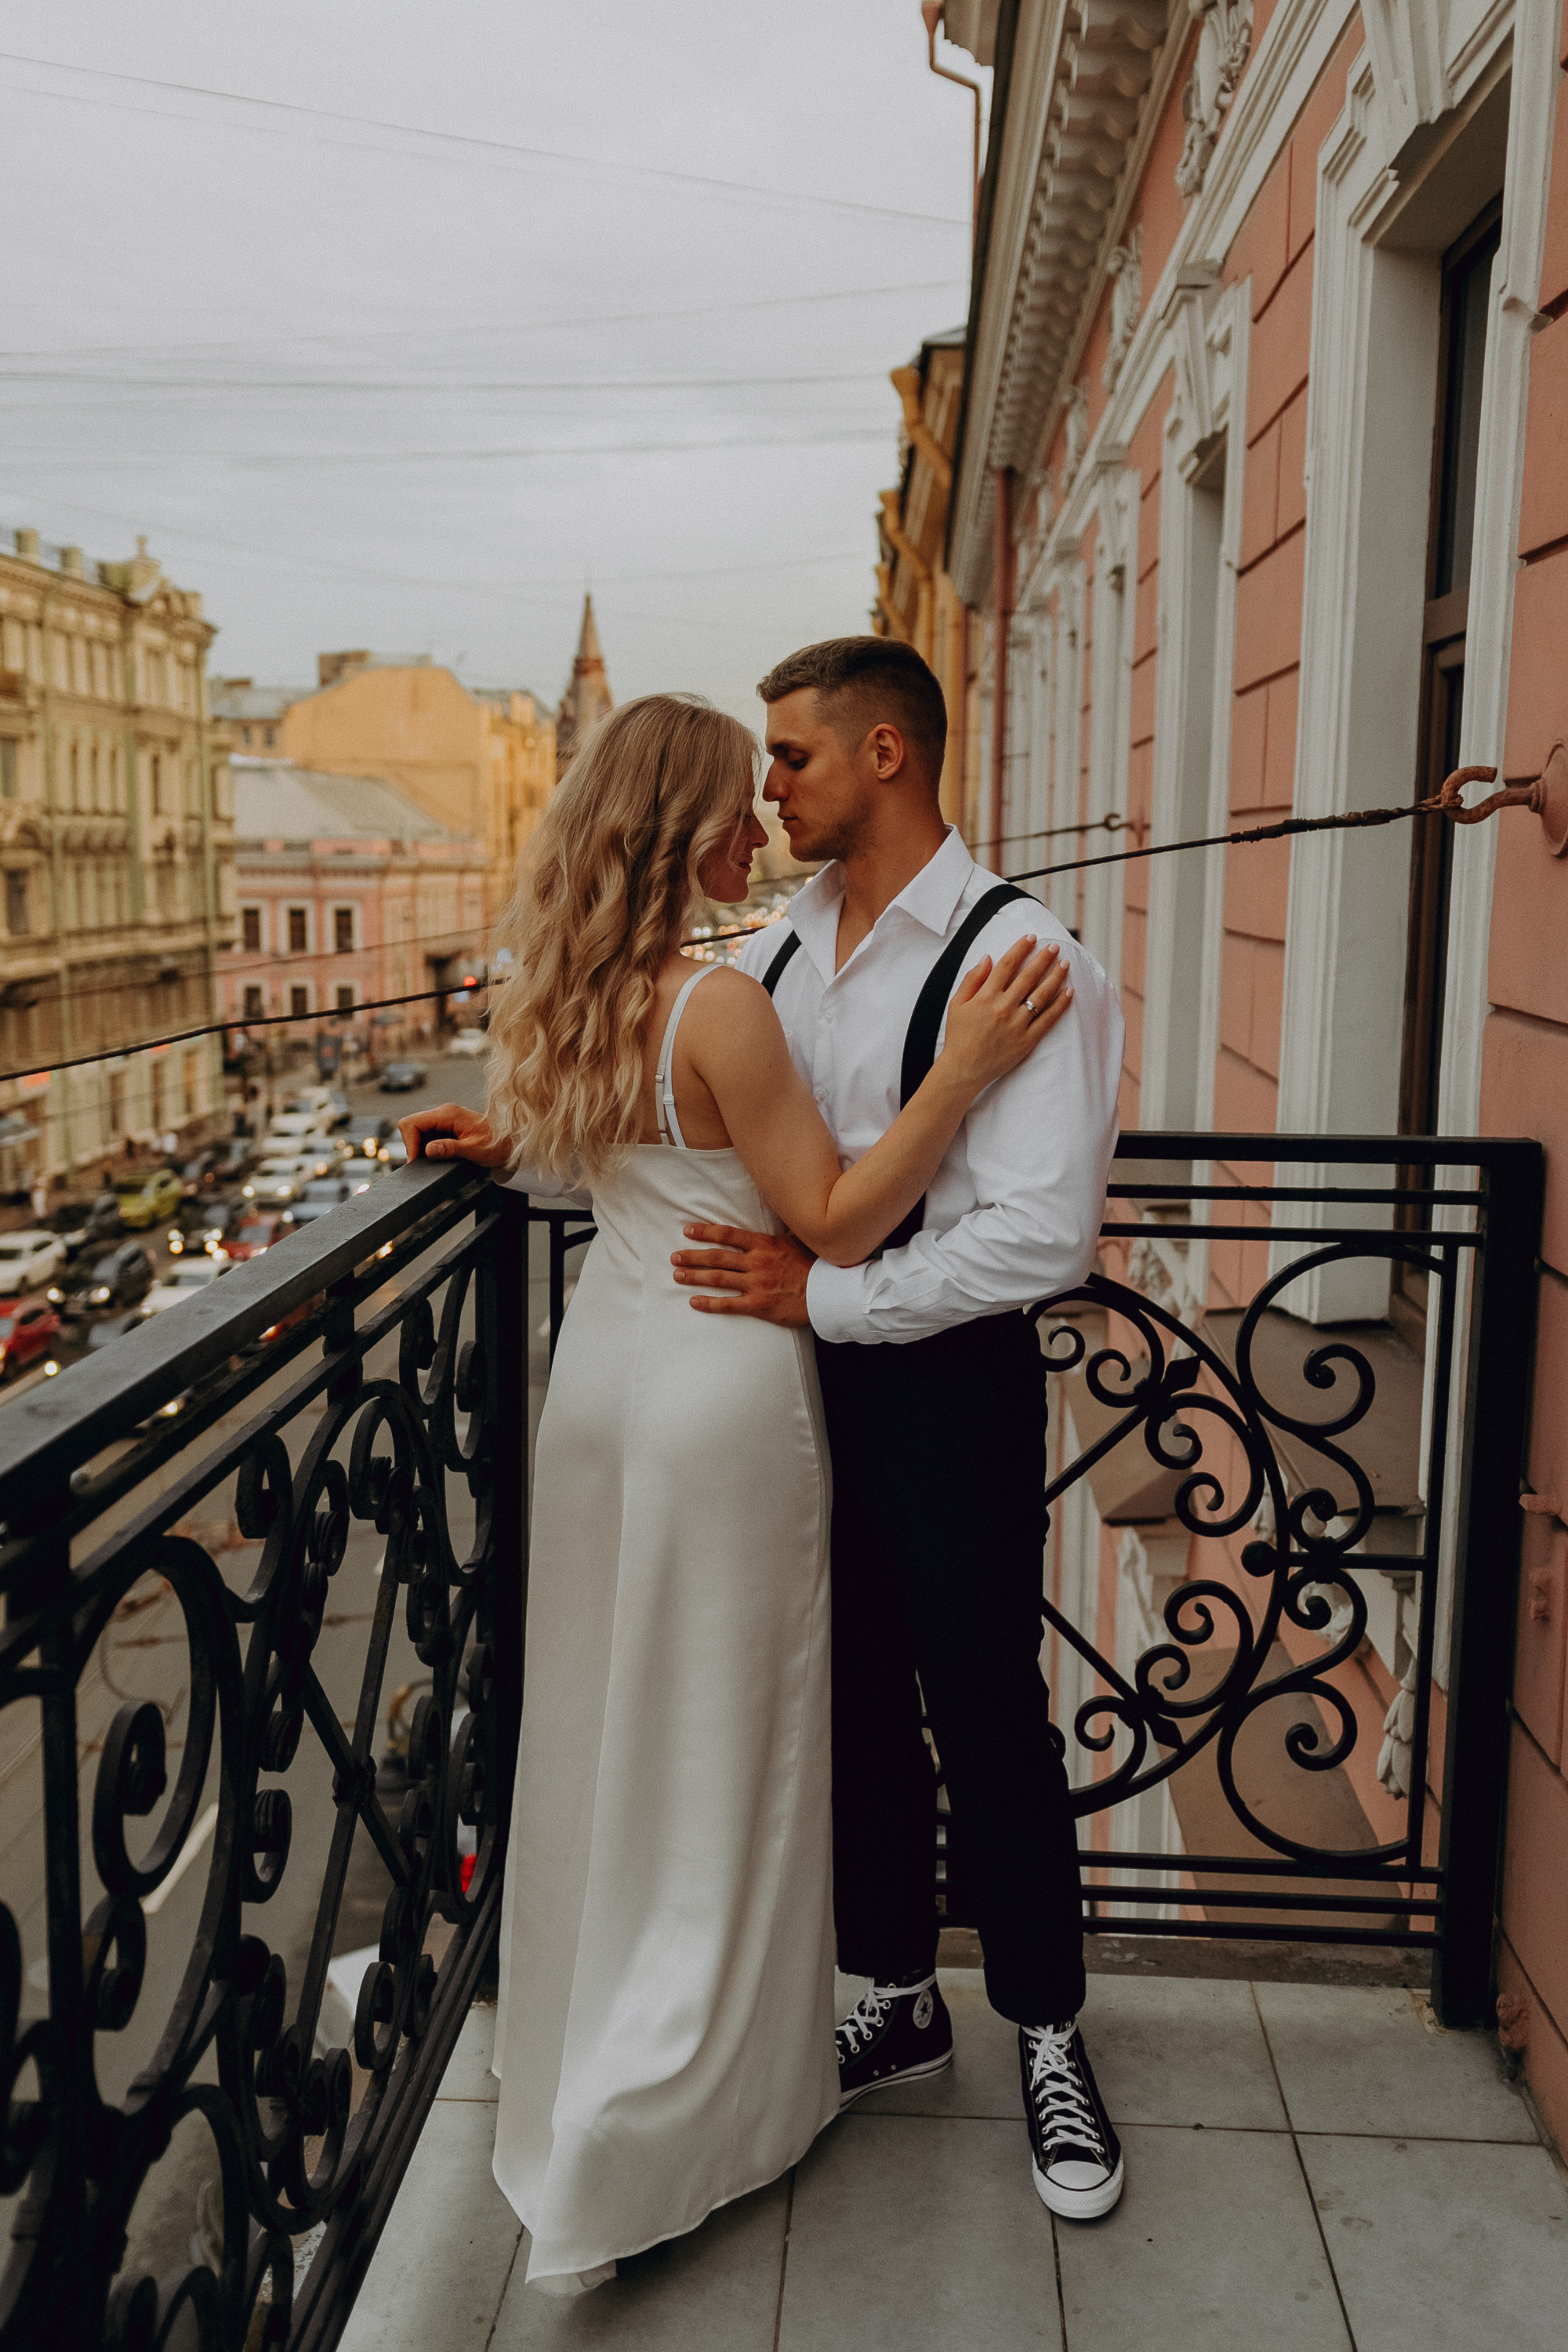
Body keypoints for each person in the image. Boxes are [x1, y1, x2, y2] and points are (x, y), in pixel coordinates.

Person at [397, 691, 1071, 2295]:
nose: (761, 818)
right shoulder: (719, 1003)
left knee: (608, 1727)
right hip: (717, 1391)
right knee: (732, 1740)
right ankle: (678, 2099)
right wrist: (960, 1072)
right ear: (690, 825)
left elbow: (601, 1152)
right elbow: (834, 1222)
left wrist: (503, 1147)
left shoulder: (566, 989)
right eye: (742, 793)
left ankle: (597, 2066)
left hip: (600, 1391)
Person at [669, 637, 1127, 2223]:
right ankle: (893, 1993)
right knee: (851, 1697)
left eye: (789, 755)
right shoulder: (785, 948)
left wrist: (826, 1301)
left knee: (984, 1708)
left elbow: (1040, 1235)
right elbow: (714, 1125)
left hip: (944, 1389)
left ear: (884, 753)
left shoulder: (1020, 951)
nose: (766, 785)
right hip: (792, 1391)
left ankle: (1049, 2033)